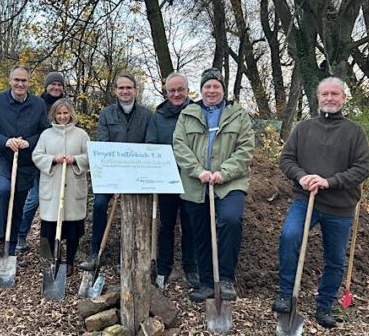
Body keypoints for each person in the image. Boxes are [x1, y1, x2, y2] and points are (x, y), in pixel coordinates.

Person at [272, 77, 369, 328]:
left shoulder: (354, 132)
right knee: (289, 236)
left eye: (334, 94)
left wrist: (329, 181)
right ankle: (286, 293)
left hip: (340, 206)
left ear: (343, 98)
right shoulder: (304, 128)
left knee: (335, 258)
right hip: (306, 200)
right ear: (317, 98)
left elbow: (362, 169)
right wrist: (301, 176)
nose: (329, 98)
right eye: (324, 94)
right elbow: (286, 160)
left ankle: (325, 305)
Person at [172, 67, 254, 302]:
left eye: (216, 86)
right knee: (200, 231)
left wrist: (222, 173)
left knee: (230, 220)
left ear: (222, 89)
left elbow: (246, 149)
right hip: (197, 183)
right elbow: (180, 145)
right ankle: (207, 282)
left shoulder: (238, 115)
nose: (211, 90)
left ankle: (226, 278)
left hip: (229, 183)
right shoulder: (188, 114)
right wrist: (198, 172)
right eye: (207, 86)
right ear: (201, 89)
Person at [79, 72, 152, 271]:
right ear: (115, 91)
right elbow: (102, 145)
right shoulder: (106, 114)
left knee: (132, 211)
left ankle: (127, 254)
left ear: (135, 90)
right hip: (110, 174)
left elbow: (149, 145)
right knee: (101, 204)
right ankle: (95, 251)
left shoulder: (146, 115)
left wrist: (130, 178)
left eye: (129, 87)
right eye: (121, 88)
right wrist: (117, 178)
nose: (125, 91)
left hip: (137, 176)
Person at [0, 65, 49, 257]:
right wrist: (5, 141)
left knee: (18, 202)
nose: (20, 84)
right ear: (10, 81)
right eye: (16, 80)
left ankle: (12, 245)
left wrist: (29, 142)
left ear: (29, 83)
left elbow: (45, 131)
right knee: (3, 190)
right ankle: (2, 240)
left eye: (24, 80)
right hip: (0, 156)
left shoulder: (38, 104)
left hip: (25, 161)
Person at [146, 72, 199, 290]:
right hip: (166, 178)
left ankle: (191, 267)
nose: (176, 94)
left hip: (192, 178)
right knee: (166, 225)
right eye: (172, 91)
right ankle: (163, 268)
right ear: (166, 93)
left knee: (191, 225)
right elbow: (151, 142)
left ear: (187, 90)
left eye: (180, 90)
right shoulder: (158, 116)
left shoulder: (198, 113)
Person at [32, 99, 90, 276]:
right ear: (54, 115)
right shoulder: (46, 135)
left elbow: (90, 156)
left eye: (66, 113)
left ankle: (70, 261)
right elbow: (37, 155)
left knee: (73, 231)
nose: (63, 117)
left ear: (71, 114)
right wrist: (52, 159)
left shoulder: (81, 134)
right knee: (51, 229)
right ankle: (54, 259)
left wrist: (76, 160)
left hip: (73, 188)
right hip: (53, 187)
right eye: (59, 113)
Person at [16, 71, 66, 252]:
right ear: (46, 86)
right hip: (41, 159)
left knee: (57, 200)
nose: (56, 87)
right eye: (53, 84)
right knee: (35, 198)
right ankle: (20, 233)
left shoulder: (65, 105)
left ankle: (51, 238)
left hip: (62, 159)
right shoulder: (37, 104)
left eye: (59, 85)